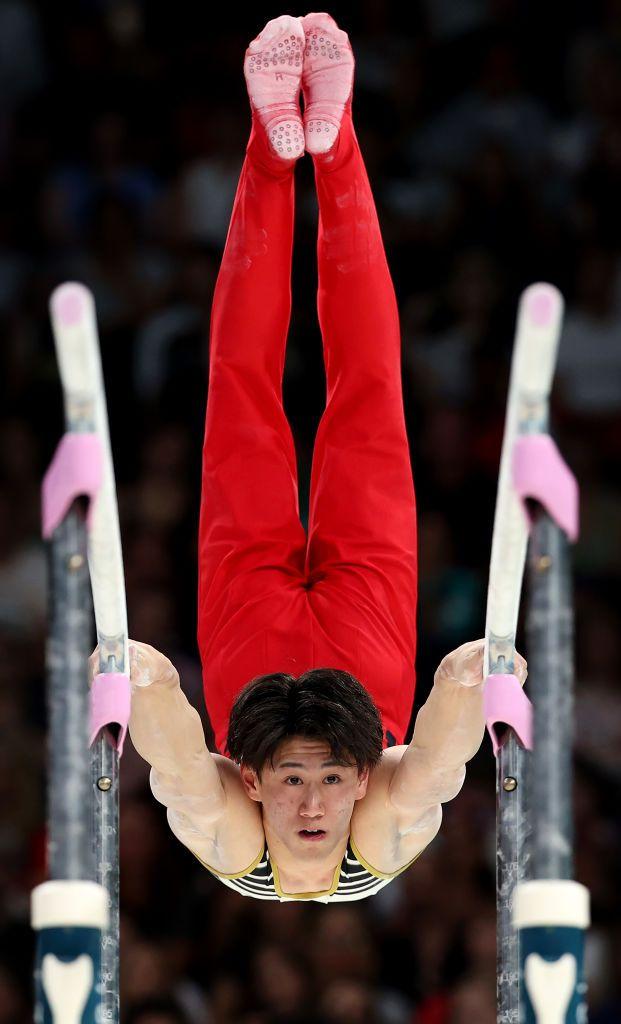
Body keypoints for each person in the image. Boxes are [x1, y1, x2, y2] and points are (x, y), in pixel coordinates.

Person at [121, 13, 527, 903]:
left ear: (254, 781)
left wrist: (134, 679)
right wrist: (473, 681)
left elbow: (180, 764)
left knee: (240, 388)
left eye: (301, 783)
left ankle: (272, 150)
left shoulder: (230, 820)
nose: (312, 806)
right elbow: (437, 760)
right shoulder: (380, 815)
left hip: (246, 641)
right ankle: (335, 144)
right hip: (366, 652)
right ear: (357, 776)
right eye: (325, 782)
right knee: (369, 390)